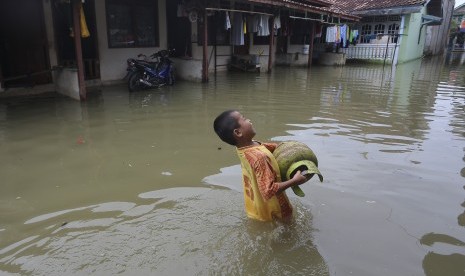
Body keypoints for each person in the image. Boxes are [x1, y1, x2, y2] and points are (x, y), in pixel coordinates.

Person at [213, 110, 309, 222]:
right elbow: (268, 191)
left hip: (256, 207)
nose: (249, 120)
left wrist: (289, 148)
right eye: (244, 119)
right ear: (238, 132)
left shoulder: (245, 148)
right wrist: (295, 181)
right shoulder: (260, 157)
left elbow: (267, 147)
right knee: (289, 232)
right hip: (276, 211)